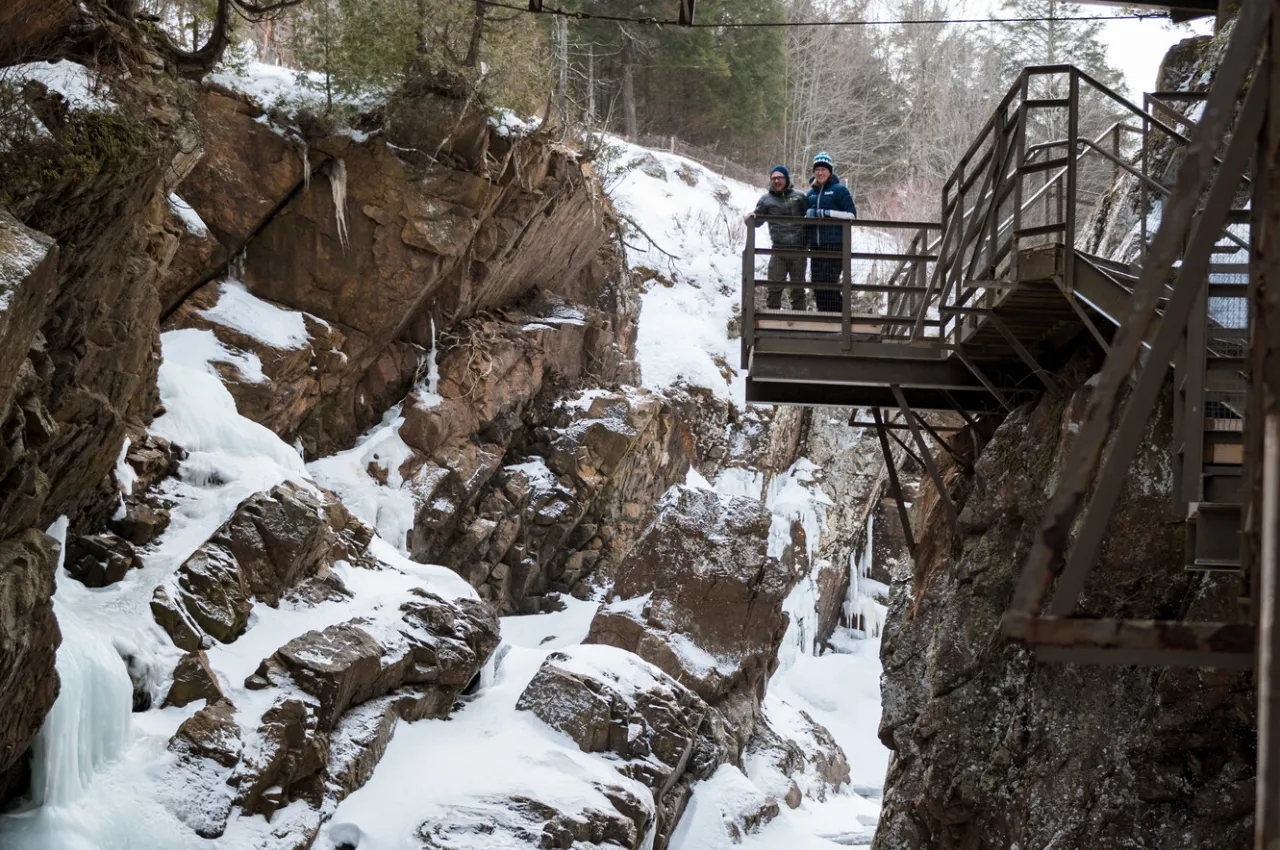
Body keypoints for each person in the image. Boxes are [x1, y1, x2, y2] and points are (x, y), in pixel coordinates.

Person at [748, 165, 808, 310]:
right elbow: (756, 221)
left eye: (780, 177)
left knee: (798, 289)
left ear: (786, 179)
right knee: (774, 286)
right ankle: (772, 322)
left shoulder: (799, 197)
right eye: (774, 178)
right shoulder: (766, 199)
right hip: (778, 249)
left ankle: (799, 322)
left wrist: (809, 242)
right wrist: (750, 218)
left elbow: (811, 218)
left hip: (799, 250)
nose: (776, 181)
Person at [804, 152, 857, 313]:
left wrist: (825, 213)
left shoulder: (839, 190)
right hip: (816, 246)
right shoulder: (811, 193)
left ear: (830, 171)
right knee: (817, 285)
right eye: (817, 169)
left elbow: (851, 215)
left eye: (823, 169)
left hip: (835, 245)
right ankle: (824, 320)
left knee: (830, 284)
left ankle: (840, 321)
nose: (820, 172)